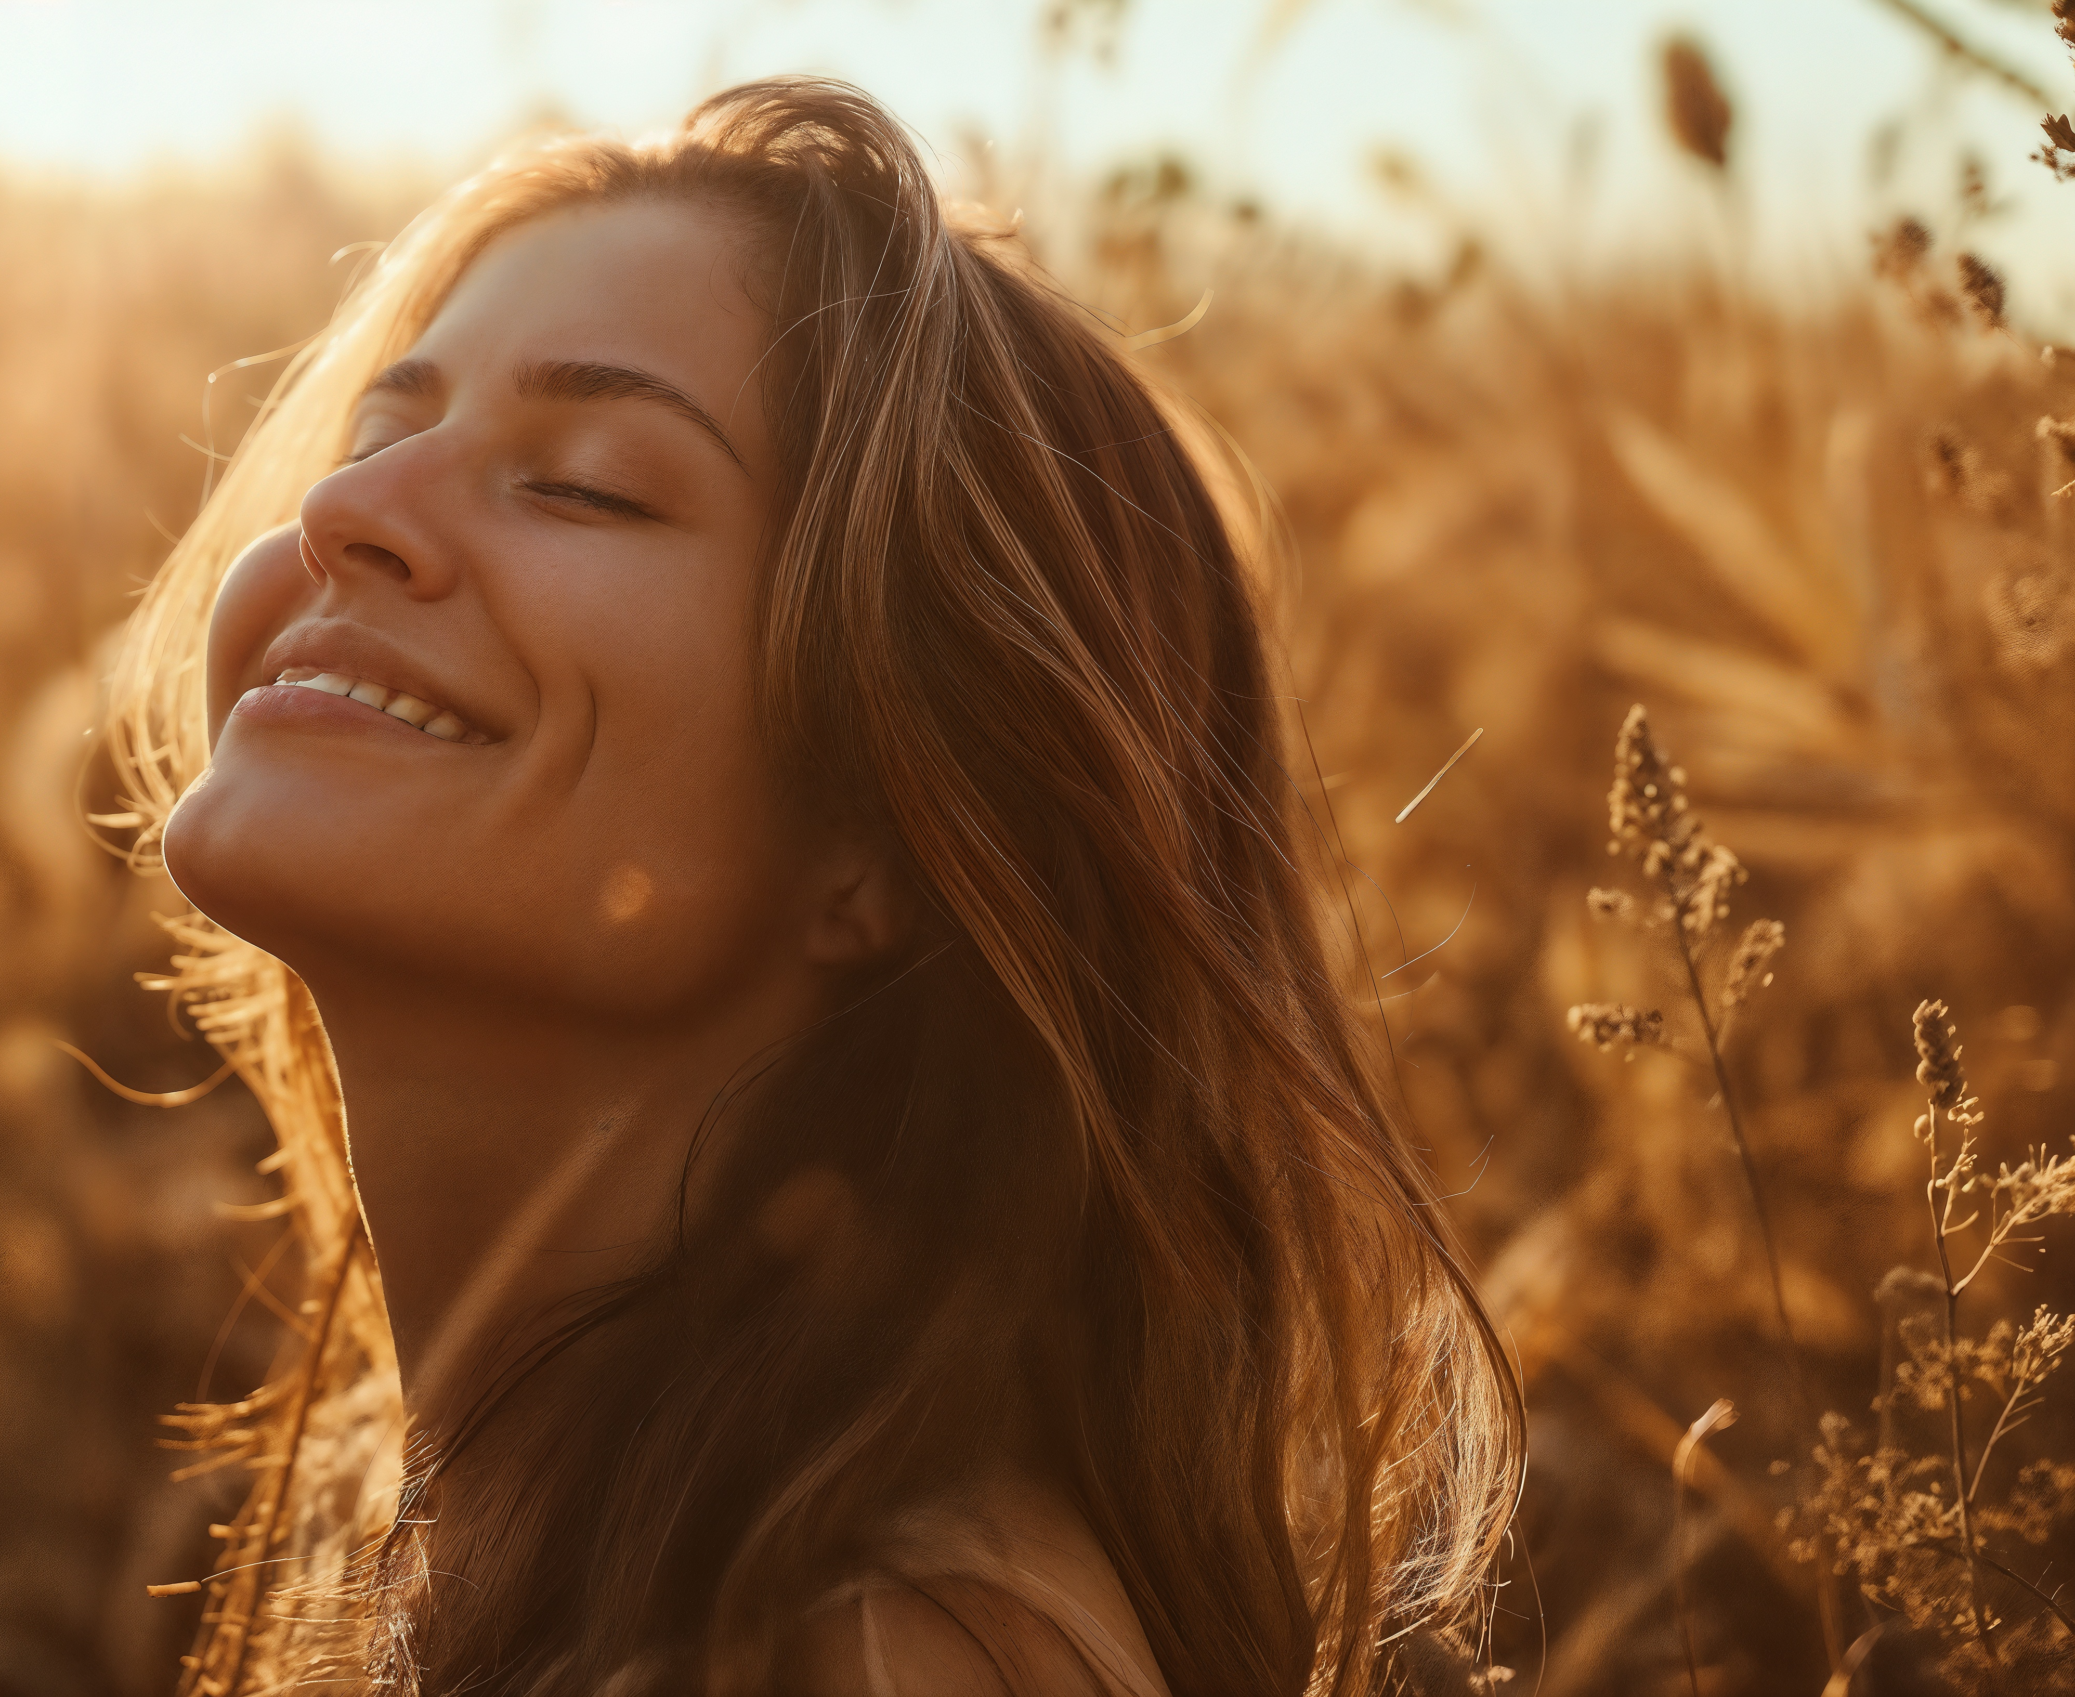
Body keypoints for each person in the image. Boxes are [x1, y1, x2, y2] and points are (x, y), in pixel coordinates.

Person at [102, 76, 1518, 1697]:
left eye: (585, 482)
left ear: (889, 833)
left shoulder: (878, 1651)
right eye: (384, 431)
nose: (346, 513)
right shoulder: (591, 1555)